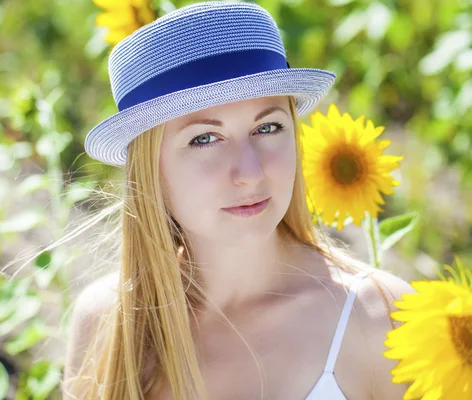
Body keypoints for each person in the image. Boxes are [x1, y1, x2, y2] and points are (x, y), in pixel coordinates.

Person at [63, 2, 415, 399]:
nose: (249, 171)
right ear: (150, 171)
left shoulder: (379, 316)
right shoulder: (106, 325)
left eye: (267, 127)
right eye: (204, 138)